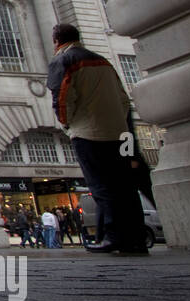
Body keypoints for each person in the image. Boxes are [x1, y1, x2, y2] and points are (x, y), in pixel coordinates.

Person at [47, 22, 148, 254]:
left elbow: (62, 97)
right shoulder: (103, 61)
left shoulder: (63, 60)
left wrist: (66, 122)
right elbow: (124, 100)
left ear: (56, 41)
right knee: (126, 188)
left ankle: (115, 238)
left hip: (89, 133)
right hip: (118, 132)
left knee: (102, 187)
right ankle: (137, 240)